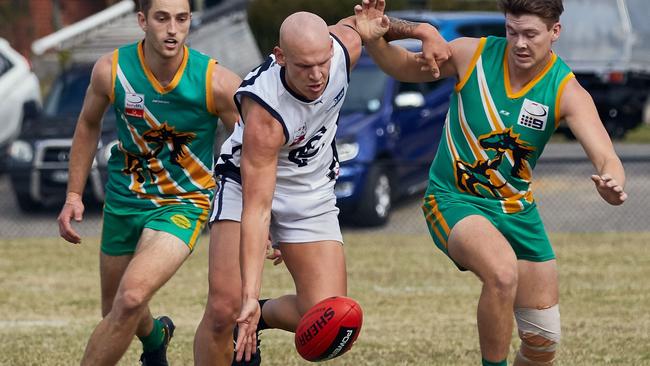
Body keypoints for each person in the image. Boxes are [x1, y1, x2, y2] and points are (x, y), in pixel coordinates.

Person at [355, 0, 627, 365]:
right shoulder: (473, 54)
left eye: (531, 34)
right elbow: (403, 67)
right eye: (512, 31)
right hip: (453, 198)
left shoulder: (566, 91)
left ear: (554, 32)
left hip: (517, 210)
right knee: (501, 272)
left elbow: (607, 157)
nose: (520, 43)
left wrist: (612, 183)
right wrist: (376, 42)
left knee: (541, 341)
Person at [192, 10, 450, 366]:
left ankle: (261, 317)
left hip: (310, 186)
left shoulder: (343, 50)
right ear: (280, 57)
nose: (316, 76)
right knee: (225, 308)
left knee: (328, 316)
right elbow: (258, 207)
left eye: (321, 63)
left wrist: (422, 30)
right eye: (303, 67)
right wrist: (248, 294)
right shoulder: (266, 113)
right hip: (247, 186)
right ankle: (243, 315)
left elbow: (369, 23)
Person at [56, 0, 241, 364]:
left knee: (129, 298)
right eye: (162, 18)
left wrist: (268, 216)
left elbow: (252, 150)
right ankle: (156, 339)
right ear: (142, 20)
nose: (173, 29)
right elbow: (88, 124)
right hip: (124, 197)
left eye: (181, 18)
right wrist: (74, 194)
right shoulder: (112, 70)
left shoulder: (215, 81)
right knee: (115, 308)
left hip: (184, 202)